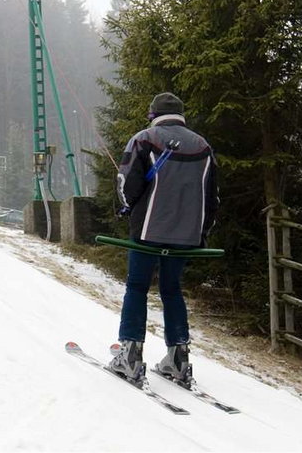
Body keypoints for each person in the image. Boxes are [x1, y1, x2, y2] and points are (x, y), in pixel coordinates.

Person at [108, 92, 218, 386]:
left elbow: (126, 182)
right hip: (187, 233)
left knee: (137, 286)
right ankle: (179, 358)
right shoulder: (203, 145)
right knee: (171, 289)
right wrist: (202, 232)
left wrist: (126, 208)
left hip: (148, 229)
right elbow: (212, 196)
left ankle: (130, 355)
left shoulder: (145, 138)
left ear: (152, 114)